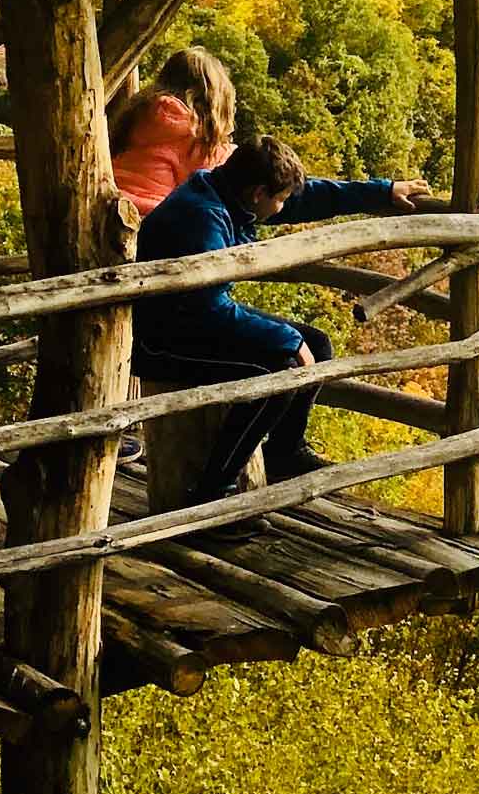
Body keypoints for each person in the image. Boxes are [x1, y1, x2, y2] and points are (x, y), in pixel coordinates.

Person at [133, 135, 436, 498]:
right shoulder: (203, 217)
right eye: (279, 199)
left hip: (193, 315)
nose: (283, 207)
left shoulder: (228, 193)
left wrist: (382, 192)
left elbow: (309, 197)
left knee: (317, 344)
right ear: (259, 193)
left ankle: (284, 452)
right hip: (162, 340)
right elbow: (207, 307)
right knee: (275, 373)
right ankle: (213, 490)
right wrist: (288, 341)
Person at [109, 46, 239, 218]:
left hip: (111, 202)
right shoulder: (191, 132)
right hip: (149, 217)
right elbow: (216, 172)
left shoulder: (138, 112)